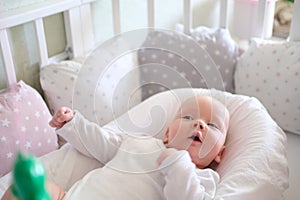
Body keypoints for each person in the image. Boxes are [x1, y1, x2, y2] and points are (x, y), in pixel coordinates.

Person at [2, 95, 229, 200]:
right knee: (18, 190)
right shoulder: (139, 142)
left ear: (220, 153)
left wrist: (179, 164)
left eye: (211, 125)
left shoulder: (204, 178)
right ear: (168, 133)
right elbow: (99, 142)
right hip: (71, 197)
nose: (199, 124)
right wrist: (73, 124)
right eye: (188, 117)